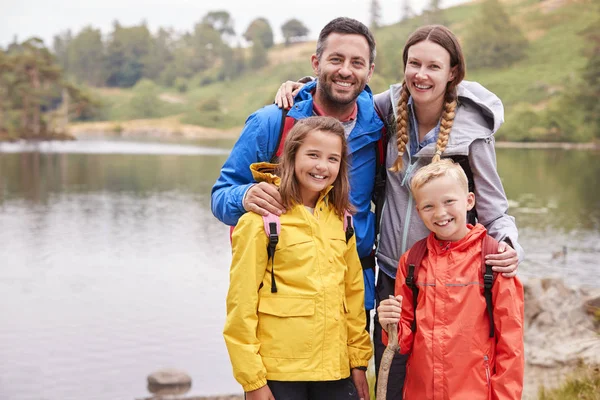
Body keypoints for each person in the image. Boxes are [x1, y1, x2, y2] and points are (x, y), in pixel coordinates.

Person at [274, 24, 523, 399]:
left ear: (452, 72)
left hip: (452, 279)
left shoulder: (472, 131)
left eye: (434, 67)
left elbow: (493, 208)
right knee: (393, 380)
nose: (421, 75)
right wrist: (307, 85)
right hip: (394, 274)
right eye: (414, 64)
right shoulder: (387, 109)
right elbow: (342, 96)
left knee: (454, 376)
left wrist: (506, 245)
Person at [211, 17, 384, 332]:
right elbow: (220, 197)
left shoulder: (381, 128)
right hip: (282, 306)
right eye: (336, 59)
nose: (346, 70)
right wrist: (245, 195)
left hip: (349, 303)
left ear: (369, 71)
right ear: (316, 63)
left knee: (351, 382)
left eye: (357, 62)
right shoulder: (272, 123)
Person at [223, 116, 373, 400]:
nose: (322, 166)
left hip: (335, 370)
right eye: (313, 155)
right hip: (280, 374)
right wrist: (252, 380)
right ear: (292, 156)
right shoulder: (260, 222)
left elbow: (353, 296)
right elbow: (240, 306)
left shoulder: (343, 221)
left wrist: (358, 362)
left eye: (333, 158)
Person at [377, 158, 524, 399]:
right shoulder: (412, 261)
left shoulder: (494, 260)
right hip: (419, 392)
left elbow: (512, 346)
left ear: (469, 201)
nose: (440, 213)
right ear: (418, 211)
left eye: (449, 202)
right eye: (428, 206)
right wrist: (389, 323)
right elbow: (402, 342)